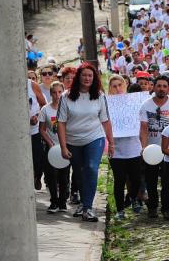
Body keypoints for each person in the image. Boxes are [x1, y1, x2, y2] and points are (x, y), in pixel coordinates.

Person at [57, 63, 114, 222]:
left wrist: (112, 142)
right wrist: (63, 146)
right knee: (79, 173)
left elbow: (106, 120)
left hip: (94, 138)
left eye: (90, 75)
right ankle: (84, 202)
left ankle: (88, 208)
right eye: (84, 75)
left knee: (90, 167)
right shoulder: (66, 97)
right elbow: (61, 122)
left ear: (94, 78)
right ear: (78, 77)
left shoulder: (99, 96)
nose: (87, 78)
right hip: (73, 140)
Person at [108, 75, 143, 219]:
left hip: (134, 147)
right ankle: (120, 210)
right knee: (119, 180)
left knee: (136, 179)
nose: (117, 89)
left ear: (125, 86)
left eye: (120, 85)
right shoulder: (107, 104)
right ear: (110, 88)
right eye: (114, 86)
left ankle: (133, 198)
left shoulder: (135, 102)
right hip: (116, 149)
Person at [139, 75, 169, 219]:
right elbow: (144, 128)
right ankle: (152, 207)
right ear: (153, 87)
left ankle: (167, 208)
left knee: (167, 181)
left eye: (164, 86)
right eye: (159, 86)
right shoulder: (146, 105)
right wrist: (144, 147)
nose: (161, 89)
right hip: (151, 150)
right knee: (151, 180)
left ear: (168, 88)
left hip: (168, 150)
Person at [39, 81, 69, 213]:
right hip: (51, 148)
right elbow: (42, 130)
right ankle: (54, 202)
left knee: (64, 175)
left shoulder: (68, 108)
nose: (57, 95)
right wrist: (50, 143)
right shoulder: (45, 109)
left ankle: (63, 202)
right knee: (51, 176)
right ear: (50, 94)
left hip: (65, 147)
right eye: (54, 92)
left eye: (59, 92)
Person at [29, 77, 47, 191]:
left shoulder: (32, 85)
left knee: (38, 158)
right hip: (16, 132)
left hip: (34, 129)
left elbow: (43, 105)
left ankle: (37, 177)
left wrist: (37, 116)